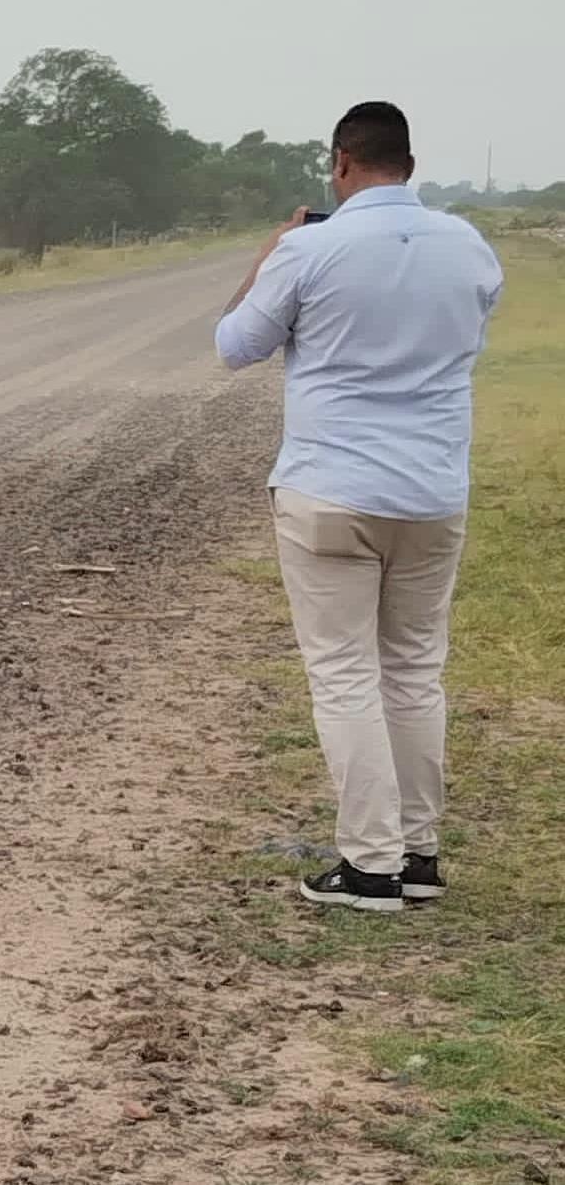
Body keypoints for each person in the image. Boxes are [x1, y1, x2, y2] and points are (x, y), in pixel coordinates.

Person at [215, 101, 503, 913]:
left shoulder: (311, 247)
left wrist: (271, 251)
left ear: (341, 162)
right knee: (415, 670)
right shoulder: (470, 247)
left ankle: (369, 863)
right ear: (406, 162)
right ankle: (418, 853)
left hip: (332, 489)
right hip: (433, 490)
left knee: (344, 673)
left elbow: (234, 346)